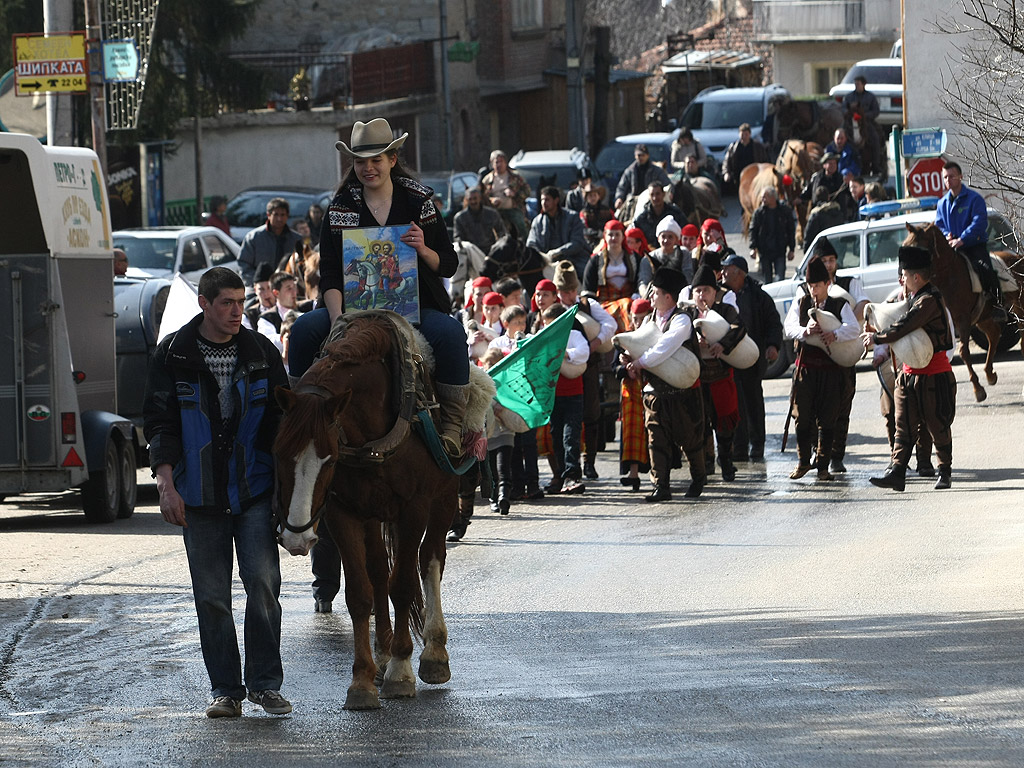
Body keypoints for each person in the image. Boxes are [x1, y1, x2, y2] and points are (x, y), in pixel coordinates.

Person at [142, 267, 291, 719]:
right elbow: (159, 425)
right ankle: (226, 690)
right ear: (204, 303)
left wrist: (289, 500)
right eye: (226, 302)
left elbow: (284, 428)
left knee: (264, 586)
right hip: (199, 496)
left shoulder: (262, 352)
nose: (235, 311)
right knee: (211, 596)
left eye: (240, 302)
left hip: (254, 492)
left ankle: (266, 686)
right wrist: (166, 486)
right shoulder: (174, 354)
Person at [288, 118, 470, 458]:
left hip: (417, 308)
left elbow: (449, 262)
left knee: (451, 334)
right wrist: (338, 317)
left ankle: (452, 426)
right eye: (360, 161)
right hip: (349, 309)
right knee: (301, 331)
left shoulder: (420, 203)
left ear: (392, 160)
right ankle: (298, 415)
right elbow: (328, 272)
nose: (368, 168)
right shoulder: (340, 208)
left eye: (376, 160)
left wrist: (423, 249)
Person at [866, 246, 956, 491]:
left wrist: (878, 338)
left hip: (935, 375)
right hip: (908, 375)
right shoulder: (912, 298)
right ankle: (897, 471)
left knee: (938, 425)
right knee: (903, 424)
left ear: (917, 277)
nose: (901, 279)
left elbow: (906, 325)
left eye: (904, 275)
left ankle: (944, 471)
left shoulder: (929, 300)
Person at [621, 267, 706, 501]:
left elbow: (665, 347)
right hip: (655, 392)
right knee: (655, 439)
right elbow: (639, 344)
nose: (651, 296)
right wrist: (628, 357)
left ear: (668, 296)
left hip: (683, 393)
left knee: (689, 439)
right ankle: (661, 487)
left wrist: (640, 362)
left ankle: (699, 478)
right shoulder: (648, 320)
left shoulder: (682, 320)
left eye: (655, 292)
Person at [783, 258, 860, 481]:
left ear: (828, 283)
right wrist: (805, 331)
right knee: (802, 416)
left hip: (830, 371)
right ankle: (803, 462)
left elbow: (853, 329)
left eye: (817, 285)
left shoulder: (839, 304)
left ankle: (823, 466)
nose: (813, 290)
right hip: (805, 370)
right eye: (810, 286)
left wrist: (834, 334)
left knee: (828, 418)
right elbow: (789, 328)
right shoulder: (801, 303)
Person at [555, 260, 616, 481]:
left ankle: (589, 462)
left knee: (591, 413)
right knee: (561, 420)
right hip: (558, 370)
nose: (567, 295)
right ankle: (565, 468)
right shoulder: (552, 308)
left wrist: (595, 343)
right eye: (563, 291)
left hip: (587, 367)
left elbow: (610, 325)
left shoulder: (588, 305)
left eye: (571, 290)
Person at [815, 236, 869, 474]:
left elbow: (864, 304)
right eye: (824, 260)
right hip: (820, 355)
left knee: (843, 405)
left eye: (831, 260)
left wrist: (843, 319)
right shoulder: (810, 285)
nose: (828, 265)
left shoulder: (849, 282)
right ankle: (820, 455)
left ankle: (837, 456)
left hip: (845, 350)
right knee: (819, 407)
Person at [721, 254, 782, 461]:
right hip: (727, 356)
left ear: (739, 273)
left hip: (753, 357)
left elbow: (773, 323)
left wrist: (772, 345)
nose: (723, 273)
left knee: (753, 401)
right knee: (732, 401)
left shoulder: (758, 296)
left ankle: (757, 444)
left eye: (727, 269)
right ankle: (737, 448)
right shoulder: (721, 294)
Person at [689, 264, 746, 483]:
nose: (702, 295)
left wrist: (722, 344)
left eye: (706, 290)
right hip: (698, 378)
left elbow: (739, 328)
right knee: (700, 424)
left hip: (721, 376)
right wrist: (697, 342)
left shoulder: (725, 311)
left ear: (715, 293)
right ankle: (705, 464)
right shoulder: (687, 314)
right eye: (698, 291)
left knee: (725, 424)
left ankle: (727, 462)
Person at [935, 160, 1005, 320]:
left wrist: (962, 239)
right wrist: (946, 235)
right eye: (945, 177)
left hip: (973, 246)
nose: (948, 180)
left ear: (960, 176)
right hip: (951, 247)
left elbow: (979, 222)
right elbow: (939, 225)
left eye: (951, 176)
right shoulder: (941, 203)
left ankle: (998, 306)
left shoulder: (974, 199)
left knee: (986, 269)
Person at [541, 301, 590, 495]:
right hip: (553, 395)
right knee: (555, 436)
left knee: (570, 436)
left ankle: (573, 475)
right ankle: (561, 475)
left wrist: (564, 354)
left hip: (573, 394)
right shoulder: (545, 338)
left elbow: (583, 353)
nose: (548, 328)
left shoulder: (574, 335)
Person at [612, 297, 652, 490]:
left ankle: (657, 473)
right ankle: (633, 473)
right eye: (635, 318)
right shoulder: (623, 339)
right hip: (630, 390)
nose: (638, 323)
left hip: (651, 387)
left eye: (642, 318)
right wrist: (624, 368)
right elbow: (614, 369)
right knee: (632, 431)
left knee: (654, 431)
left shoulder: (655, 337)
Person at [238, 197, 302, 287]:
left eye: (282, 215)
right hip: (258, 287)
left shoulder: (296, 239)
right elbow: (244, 264)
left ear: (287, 216)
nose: (279, 218)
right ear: (268, 215)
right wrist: (257, 283)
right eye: (276, 214)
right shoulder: (254, 237)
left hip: (289, 287)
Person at [526, 185, 589, 276]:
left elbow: (577, 243)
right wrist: (542, 257)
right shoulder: (537, 221)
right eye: (542, 200)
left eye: (547, 200)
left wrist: (557, 252)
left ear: (556, 200)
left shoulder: (572, 217)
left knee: (586, 275)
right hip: (546, 262)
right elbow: (531, 244)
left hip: (573, 259)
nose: (544, 203)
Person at [583, 219, 640, 302]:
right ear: (605, 236)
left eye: (617, 234)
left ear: (623, 236)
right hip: (605, 302)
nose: (614, 238)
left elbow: (640, 279)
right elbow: (588, 287)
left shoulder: (633, 257)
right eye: (610, 234)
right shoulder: (596, 259)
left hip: (629, 300)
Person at [748, 187, 796, 285]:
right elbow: (753, 230)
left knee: (780, 279)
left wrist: (791, 249)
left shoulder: (784, 211)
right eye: (762, 197)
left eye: (765, 197)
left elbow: (791, 230)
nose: (762, 200)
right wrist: (753, 247)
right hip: (764, 252)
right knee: (767, 280)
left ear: (773, 198)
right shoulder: (759, 213)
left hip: (780, 251)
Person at [481, 149, 531, 242]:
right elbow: (482, 197)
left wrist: (514, 194)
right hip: (495, 212)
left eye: (501, 162)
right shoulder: (487, 180)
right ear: (492, 164)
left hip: (513, 209)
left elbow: (527, 191)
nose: (499, 164)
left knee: (521, 225)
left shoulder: (515, 176)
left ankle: (527, 244)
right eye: (496, 162)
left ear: (505, 162)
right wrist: (491, 200)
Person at [637, 216, 695, 296]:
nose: (666, 240)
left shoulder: (683, 253)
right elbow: (643, 281)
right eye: (663, 236)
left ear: (676, 239)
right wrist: (646, 296)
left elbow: (688, 277)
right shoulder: (648, 259)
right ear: (658, 239)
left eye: (670, 237)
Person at [841, 76, 882, 175]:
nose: (856, 86)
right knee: (840, 135)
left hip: (866, 122)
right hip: (850, 122)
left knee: (875, 138)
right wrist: (849, 114)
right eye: (855, 84)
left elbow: (876, 111)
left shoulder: (870, 97)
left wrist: (863, 116)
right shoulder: (849, 97)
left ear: (863, 84)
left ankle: (876, 166)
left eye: (858, 84)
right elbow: (843, 108)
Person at [614, 143, 671, 212]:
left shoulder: (657, 170)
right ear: (635, 156)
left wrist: (670, 193)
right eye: (639, 155)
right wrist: (619, 198)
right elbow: (621, 187)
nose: (641, 157)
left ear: (648, 155)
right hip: (633, 202)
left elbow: (668, 184)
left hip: (652, 201)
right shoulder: (629, 171)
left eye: (643, 155)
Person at [454, 185, 507, 256]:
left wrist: (497, 248)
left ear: (480, 198)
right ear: (466, 200)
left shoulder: (492, 214)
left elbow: (502, 233)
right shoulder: (459, 218)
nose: (473, 201)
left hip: (490, 252)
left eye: (475, 198)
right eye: (470, 199)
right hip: (470, 253)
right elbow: (458, 238)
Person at [631, 180, 687, 247]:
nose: (655, 198)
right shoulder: (641, 219)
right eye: (652, 194)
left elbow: (685, 233)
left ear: (663, 194)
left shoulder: (676, 214)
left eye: (657, 194)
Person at [722, 123, 769, 191]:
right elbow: (727, 161)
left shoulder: (758, 147)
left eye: (746, 134)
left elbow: (765, 160)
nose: (744, 137)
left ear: (750, 134)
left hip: (754, 175)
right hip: (739, 177)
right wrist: (726, 173)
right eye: (742, 134)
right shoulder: (733, 147)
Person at [802, 186, 845, 252]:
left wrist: (806, 251)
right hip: (838, 249)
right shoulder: (838, 212)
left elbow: (809, 235)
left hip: (822, 251)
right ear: (828, 197)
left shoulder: (816, 214)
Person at [578, 179, 614, 249]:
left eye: (595, 195)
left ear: (599, 196)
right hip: (590, 242)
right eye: (590, 196)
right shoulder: (583, 213)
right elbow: (584, 229)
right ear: (586, 198)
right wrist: (597, 234)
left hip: (608, 239)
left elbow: (613, 222)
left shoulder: (608, 210)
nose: (593, 198)